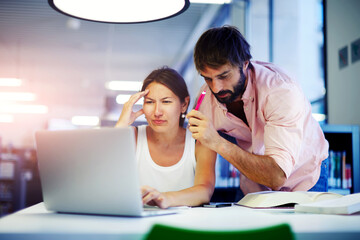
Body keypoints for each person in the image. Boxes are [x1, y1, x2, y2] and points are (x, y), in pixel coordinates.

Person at [186, 25, 329, 195]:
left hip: (304, 176)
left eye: (224, 76)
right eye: (208, 78)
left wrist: (217, 142)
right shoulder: (205, 101)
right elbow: (203, 181)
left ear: (245, 63)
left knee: (305, 223)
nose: (216, 88)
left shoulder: (279, 90)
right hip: (255, 181)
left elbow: (277, 176)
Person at [115, 66, 216, 208]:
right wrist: (121, 125)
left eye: (166, 102)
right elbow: (102, 179)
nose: (157, 112)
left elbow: (204, 191)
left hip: (185, 225)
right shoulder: (132, 136)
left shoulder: (200, 142)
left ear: (184, 104)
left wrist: (165, 198)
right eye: (149, 102)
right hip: (138, 225)